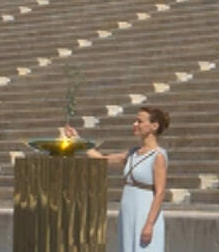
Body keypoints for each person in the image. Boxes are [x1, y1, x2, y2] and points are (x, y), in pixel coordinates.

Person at [66, 106, 170, 252]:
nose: (135, 124)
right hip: (128, 212)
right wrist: (77, 140)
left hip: (145, 213)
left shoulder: (158, 156)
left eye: (139, 121)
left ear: (154, 126)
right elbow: (101, 159)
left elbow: (160, 192)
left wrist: (149, 224)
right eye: (135, 121)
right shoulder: (132, 153)